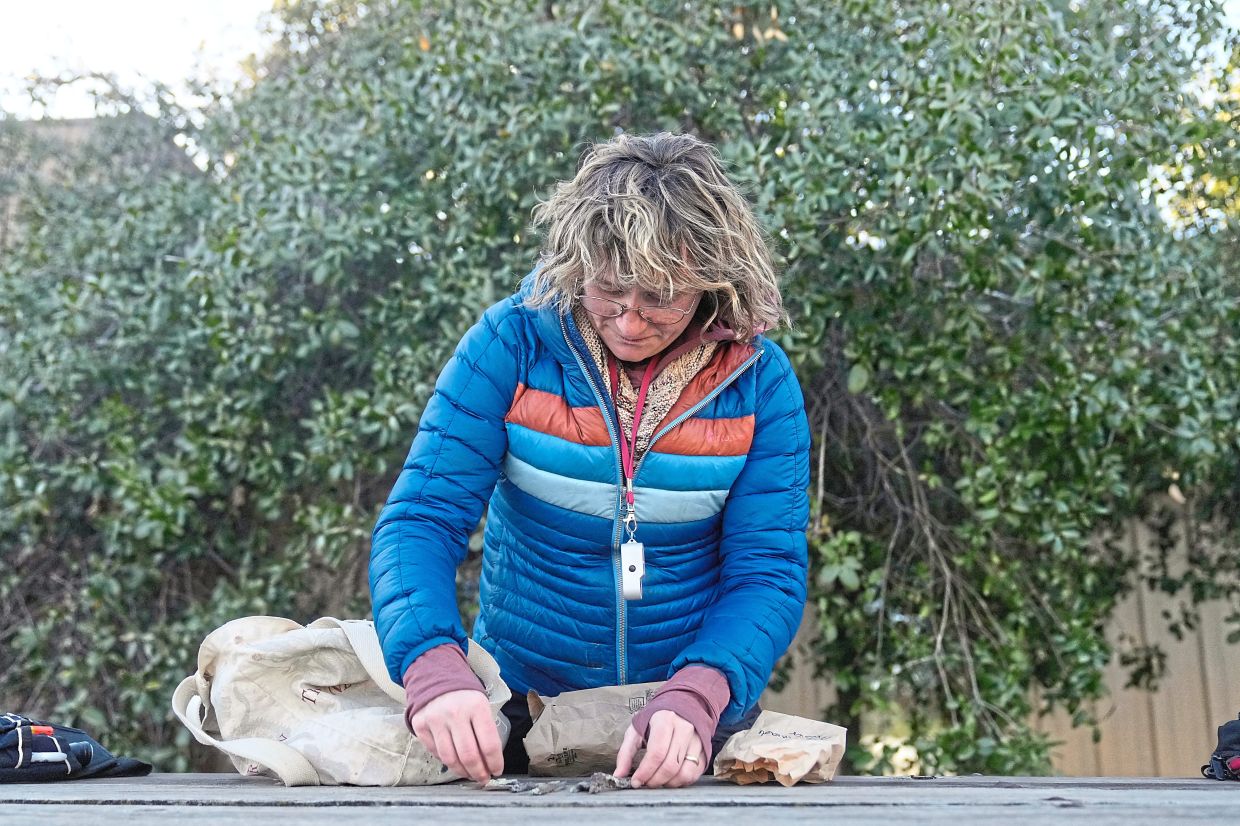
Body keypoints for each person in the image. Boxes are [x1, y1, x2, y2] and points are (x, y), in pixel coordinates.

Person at [369, 131, 810, 789]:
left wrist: (701, 689)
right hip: (521, 717)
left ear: (714, 281)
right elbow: (420, 522)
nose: (629, 322)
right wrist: (433, 665)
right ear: (579, 262)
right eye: (609, 290)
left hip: (686, 732)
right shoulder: (508, 344)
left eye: (661, 295)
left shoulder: (761, 383)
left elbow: (766, 570)